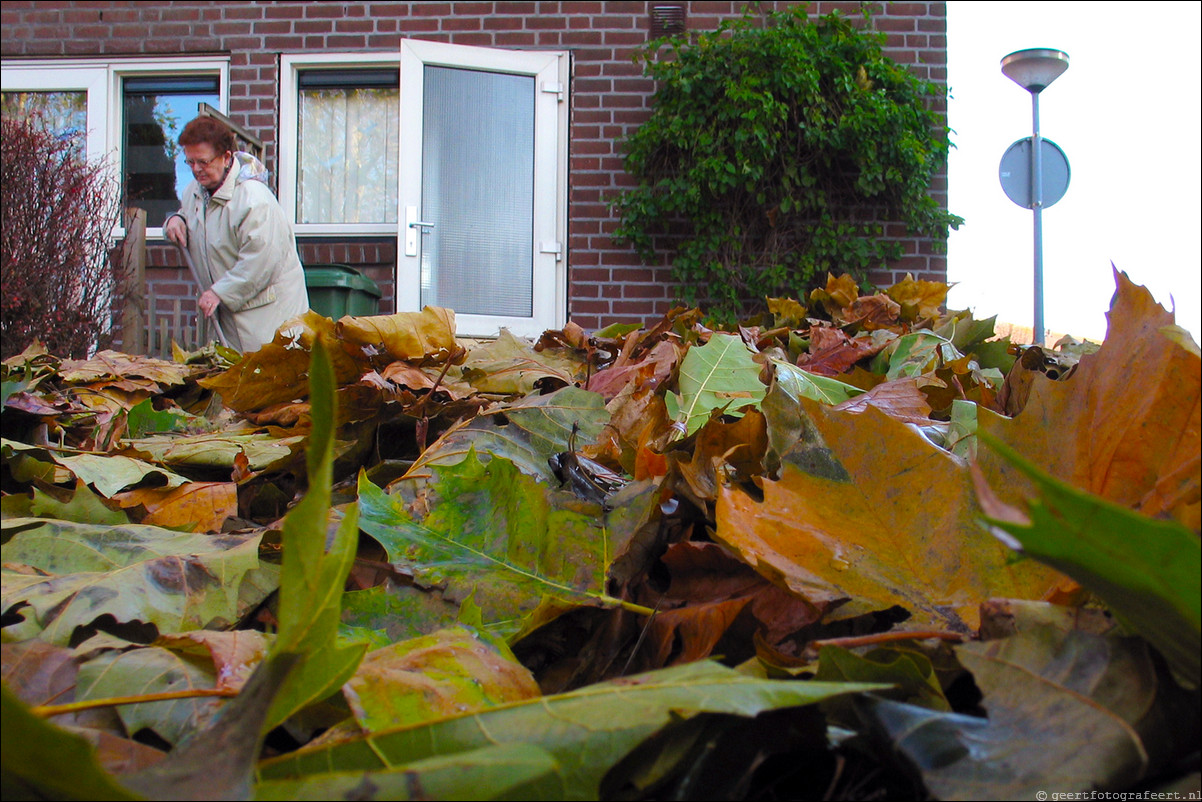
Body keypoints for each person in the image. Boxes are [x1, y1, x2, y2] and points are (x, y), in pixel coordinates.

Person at [163, 116, 309, 352]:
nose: (196, 170)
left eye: (203, 162)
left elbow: (261, 262)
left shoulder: (254, 199)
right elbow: (192, 217)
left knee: (269, 382)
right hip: (230, 313)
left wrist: (219, 292)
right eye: (189, 162)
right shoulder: (194, 192)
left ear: (226, 157)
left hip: (269, 318)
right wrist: (175, 220)